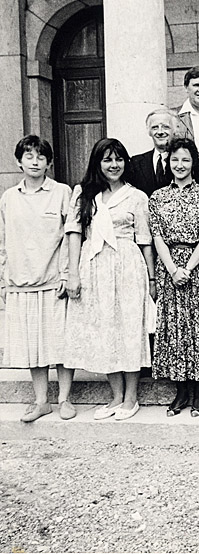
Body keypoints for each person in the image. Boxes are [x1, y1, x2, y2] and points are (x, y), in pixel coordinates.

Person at [63, 138, 156, 421]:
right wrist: (73, 274)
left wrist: (152, 280)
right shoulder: (84, 194)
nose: (113, 165)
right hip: (94, 267)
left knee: (128, 330)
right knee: (103, 330)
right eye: (107, 160)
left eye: (118, 159)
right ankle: (116, 396)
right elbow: (74, 234)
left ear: (125, 162)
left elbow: (145, 241)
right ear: (98, 164)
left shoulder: (137, 196)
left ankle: (131, 398)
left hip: (127, 267)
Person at [149, 138, 199, 417]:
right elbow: (157, 236)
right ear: (168, 163)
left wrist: (189, 268)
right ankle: (180, 391)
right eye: (174, 160)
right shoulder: (157, 196)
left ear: (193, 162)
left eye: (185, 160)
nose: (180, 165)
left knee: (198, 329)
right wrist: (173, 269)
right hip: (169, 268)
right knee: (176, 329)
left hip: (198, 268)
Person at [0, 136, 75, 422]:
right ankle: (41, 400)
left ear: (49, 162)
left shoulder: (61, 192)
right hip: (21, 284)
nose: (34, 161)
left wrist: (67, 275)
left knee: (60, 344)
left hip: (54, 282)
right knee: (33, 346)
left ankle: (64, 399)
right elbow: (4, 243)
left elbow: (71, 236)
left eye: (40, 157)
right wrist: (4, 280)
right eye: (28, 156)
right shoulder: (9, 197)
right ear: (19, 161)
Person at [129, 107, 179, 196]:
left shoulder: (183, 161)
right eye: (155, 127)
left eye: (165, 127)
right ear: (149, 131)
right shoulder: (135, 162)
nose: (160, 132)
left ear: (175, 130)